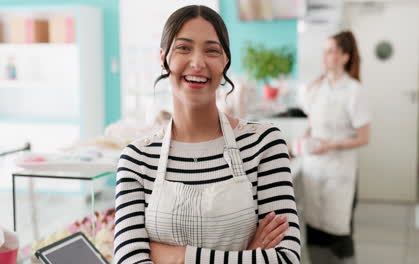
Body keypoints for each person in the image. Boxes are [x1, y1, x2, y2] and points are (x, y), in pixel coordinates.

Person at [113, 5, 301, 264]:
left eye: (212, 50)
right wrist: (245, 256)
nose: (198, 62)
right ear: (164, 58)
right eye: (184, 48)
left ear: (225, 62)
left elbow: (285, 259)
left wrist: (176, 257)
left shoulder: (264, 144)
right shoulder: (137, 158)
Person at [298, 30, 371, 264]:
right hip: (314, 168)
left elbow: (363, 137)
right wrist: (305, 138)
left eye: (330, 51)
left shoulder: (354, 91)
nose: (324, 56)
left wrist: (331, 145)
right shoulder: (316, 87)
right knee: (314, 228)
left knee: (337, 231)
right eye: (324, 51)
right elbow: (312, 125)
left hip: (339, 171)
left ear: (344, 57)